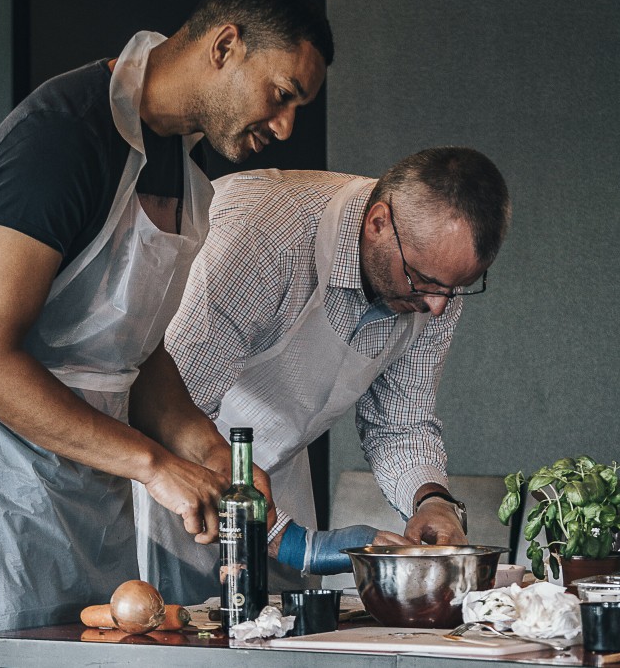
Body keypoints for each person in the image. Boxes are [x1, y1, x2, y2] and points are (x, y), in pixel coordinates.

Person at [0, 0, 332, 667]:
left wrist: (203, 450)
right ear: (226, 45)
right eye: (281, 94)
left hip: (88, 485)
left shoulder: (186, 175)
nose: (287, 125)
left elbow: (134, 359)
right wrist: (154, 463)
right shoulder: (62, 137)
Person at [137, 147, 511, 603]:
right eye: (424, 282)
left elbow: (401, 423)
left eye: (457, 288)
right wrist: (294, 543)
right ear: (377, 224)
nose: (438, 306)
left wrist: (432, 501)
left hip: (279, 479)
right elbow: (174, 407)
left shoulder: (436, 281)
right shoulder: (264, 234)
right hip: (177, 484)